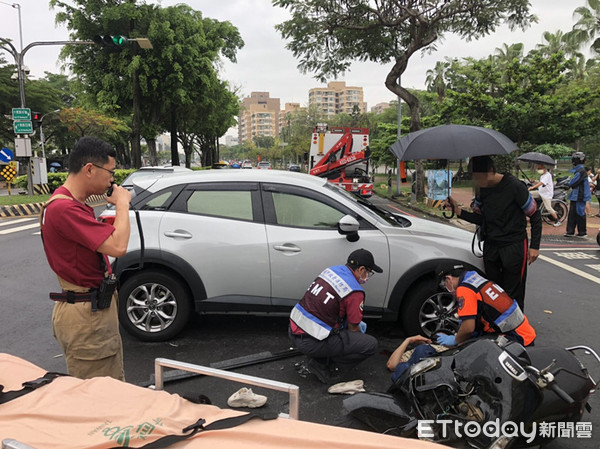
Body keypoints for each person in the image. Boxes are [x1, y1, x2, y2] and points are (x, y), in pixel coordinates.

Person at [40, 136, 131, 381]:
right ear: (89, 169)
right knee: (101, 397)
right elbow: (118, 246)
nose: (112, 179)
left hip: (88, 308)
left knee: (108, 383)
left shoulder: (71, 204)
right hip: (86, 315)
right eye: (110, 172)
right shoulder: (65, 209)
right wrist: (123, 205)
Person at [444, 155, 542, 311]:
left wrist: (535, 246)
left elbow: (535, 215)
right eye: (474, 178)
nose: (478, 182)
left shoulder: (515, 186)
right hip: (492, 246)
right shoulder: (482, 190)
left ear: (491, 170)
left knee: (513, 292)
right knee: (493, 291)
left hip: (514, 245)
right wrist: (458, 211)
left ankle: (515, 329)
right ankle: (496, 326)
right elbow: (480, 218)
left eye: (480, 177)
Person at [288, 248, 381, 383]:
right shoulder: (355, 291)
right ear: (361, 269)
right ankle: (325, 366)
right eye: (368, 272)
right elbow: (353, 328)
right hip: (310, 342)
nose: (367, 276)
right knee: (370, 344)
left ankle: (320, 356)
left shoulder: (331, 270)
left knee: (342, 326)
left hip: (293, 329)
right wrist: (357, 337)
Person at [434, 263, 536, 348]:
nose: (446, 288)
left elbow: (468, 328)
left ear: (448, 279)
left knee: (467, 353)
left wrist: (455, 339)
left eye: (444, 285)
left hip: (515, 339)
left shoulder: (464, 289)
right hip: (524, 331)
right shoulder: (473, 277)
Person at [564, 152, 591, 238]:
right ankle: (570, 231)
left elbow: (573, 182)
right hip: (576, 196)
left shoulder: (580, 171)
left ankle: (582, 232)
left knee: (579, 213)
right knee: (572, 213)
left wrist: (567, 185)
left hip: (580, 196)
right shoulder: (579, 170)